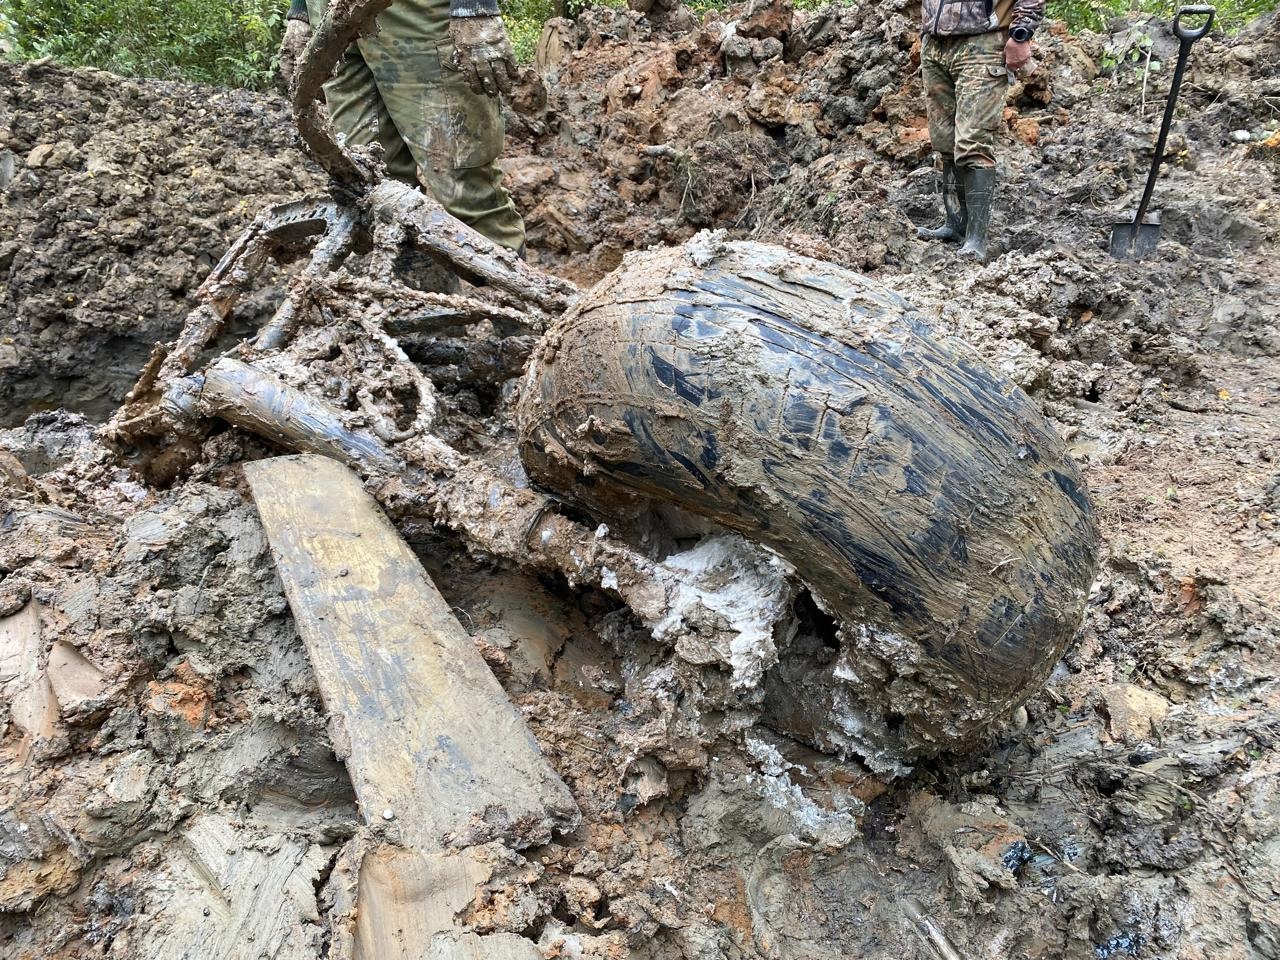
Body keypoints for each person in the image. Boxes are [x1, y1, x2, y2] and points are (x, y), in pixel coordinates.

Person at [278, 0, 526, 254]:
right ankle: (410, 285)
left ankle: (509, 289)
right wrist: (301, 12)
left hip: (415, 14)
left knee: (464, 188)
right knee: (372, 187)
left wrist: (474, 6)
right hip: (329, 14)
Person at [916, 0, 1043, 261]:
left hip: (983, 42)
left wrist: (1021, 33)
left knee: (973, 142)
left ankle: (976, 238)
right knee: (944, 140)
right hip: (935, 41)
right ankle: (955, 223)